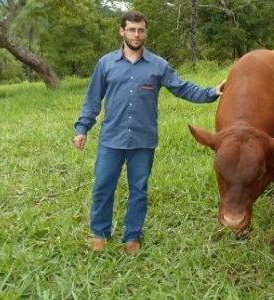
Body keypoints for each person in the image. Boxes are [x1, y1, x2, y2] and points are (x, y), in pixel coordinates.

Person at [73, 11, 225, 255]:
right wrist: (82, 128)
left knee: (139, 189)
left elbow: (182, 88)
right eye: (131, 29)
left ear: (145, 32)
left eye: (140, 30)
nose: (136, 34)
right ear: (122, 31)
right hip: (111, 140)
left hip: (143, 141)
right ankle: (100, 233)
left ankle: (132, 236)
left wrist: (211, 92)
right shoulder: (106, 64)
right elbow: (93, 99)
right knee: (103, 186)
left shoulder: (158, 65)